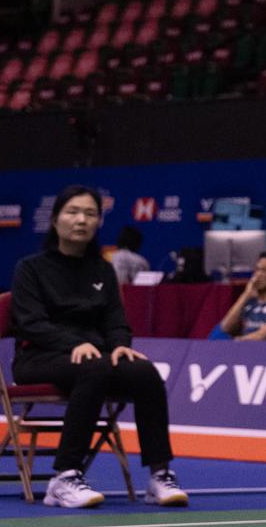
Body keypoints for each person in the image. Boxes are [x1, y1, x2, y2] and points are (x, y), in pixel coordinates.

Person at [10, 185, 187, 509]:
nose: (81, 220)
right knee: (96, 368)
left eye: (90, 214)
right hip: (40, 355)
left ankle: (159, 475)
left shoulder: (102, 270)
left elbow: (116, 320)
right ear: (54, 219)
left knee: (145, 372)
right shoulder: (30, 268)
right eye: (73, 212)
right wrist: (75, 343)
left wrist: (120, 345)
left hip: (96, 357)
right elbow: (30, 323)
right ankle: (64, 478)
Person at [215, 251, 266, 341]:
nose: (257, 275)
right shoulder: (251, 302)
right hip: (244, 350)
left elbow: (261, 336)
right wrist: (246, 294)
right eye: (257, 270)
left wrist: (236, 342)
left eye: (264, 271)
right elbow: (226, 328)